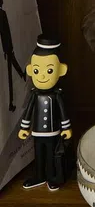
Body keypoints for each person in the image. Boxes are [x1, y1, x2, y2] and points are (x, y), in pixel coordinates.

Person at [19, 36, 72, 191]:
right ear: (30, 70)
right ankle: (39, 176)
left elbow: (63, 113)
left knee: (50, 154)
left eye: (49, 70)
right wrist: (24, 128)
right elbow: (28, 112)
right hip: (37, 132)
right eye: (36, 70)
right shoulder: (34, 95)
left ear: (61, 70)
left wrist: (66, 128)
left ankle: (51, 176)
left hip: (52, 132)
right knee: (38, 154)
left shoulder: (57, 96)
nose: (42, 76)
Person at [0, 0, 25, 112]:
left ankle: (11, 103)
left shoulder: (1, 14)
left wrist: (7, 49)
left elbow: (5, 33)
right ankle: (24, 76)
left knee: (11, 74)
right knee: (13, 69)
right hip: (7, 48)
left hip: (7, 49)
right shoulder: (2, 14)